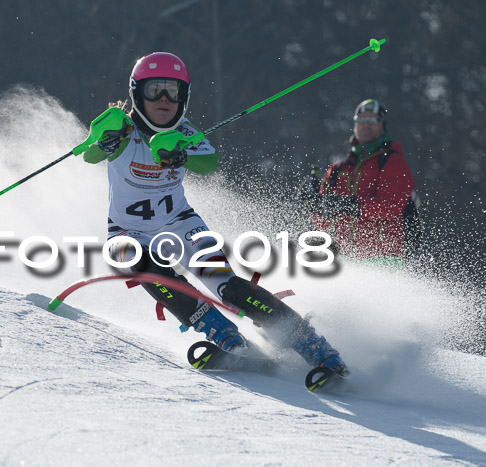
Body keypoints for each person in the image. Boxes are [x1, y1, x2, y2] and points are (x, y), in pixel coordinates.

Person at [81, 52, 348, 375]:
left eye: (173, 91)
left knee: (229, 287)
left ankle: (314, 346)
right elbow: (91, 155)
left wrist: (181, 154)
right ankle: (223, 333)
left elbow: (209, 163)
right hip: (127, 230)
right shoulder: (123, 132)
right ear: (137, 94)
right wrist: (104, 139)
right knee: (134, 259)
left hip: (181, 224)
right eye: (154, 91)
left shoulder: (186, 133)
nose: (164, 99)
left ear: (185, 97)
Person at [308, 99, 416, 262]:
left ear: (382, 125)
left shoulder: (392, 162)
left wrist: (352, 206)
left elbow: (391, 207)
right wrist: (313, 203)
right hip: (345, 260)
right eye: (361, 119)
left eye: (373, 120)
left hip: (383, 259)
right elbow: (325, 223)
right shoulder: (338, 169)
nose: (366, 125)